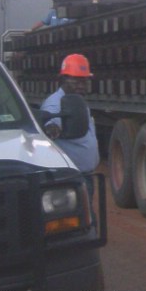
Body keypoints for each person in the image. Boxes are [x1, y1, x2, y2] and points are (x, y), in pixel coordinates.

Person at [41, 53, 100, 193]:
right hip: (71, 179)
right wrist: (52, 127)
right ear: (63, 80)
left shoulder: (76, 101)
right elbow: (52, 122)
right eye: (76, 81)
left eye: (84, 81)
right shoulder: (55, 103)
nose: (81, 85)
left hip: (84, 176)